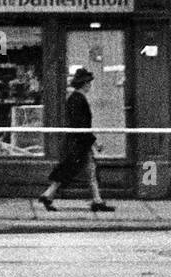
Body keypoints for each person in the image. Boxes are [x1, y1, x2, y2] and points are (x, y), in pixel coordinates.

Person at [39, 68, 115, 213]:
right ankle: (96, 201)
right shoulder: (78, 100)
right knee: (78, 170)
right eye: (89, 83)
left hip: (78, 142)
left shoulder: (74, 99)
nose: (90, 86)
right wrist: (95, 143)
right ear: (84, 84)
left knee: (81, 170)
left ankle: (49, 195)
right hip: (80, 143)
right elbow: (82, 125)